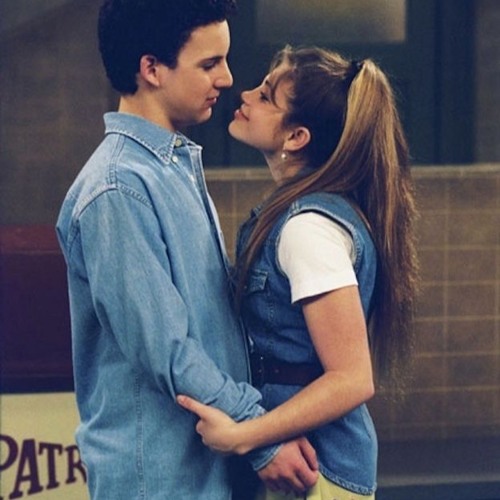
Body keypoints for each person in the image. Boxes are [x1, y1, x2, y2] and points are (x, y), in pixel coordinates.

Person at [56, 3, 319, 498]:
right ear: (151, 69)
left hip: (209, 470)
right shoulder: (117, 188)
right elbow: (169, 351)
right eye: (209, 63)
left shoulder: (170, 167)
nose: (227, 78)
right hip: (160, 481)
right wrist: (261, 437)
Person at [177, 45, 420, 499]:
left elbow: (352, 378)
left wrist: (245, 436)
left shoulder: (308, 229)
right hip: (303, 470)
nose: (245, 94)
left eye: (266, 96)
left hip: (317, 472)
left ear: (296, 137)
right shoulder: (295, 214)